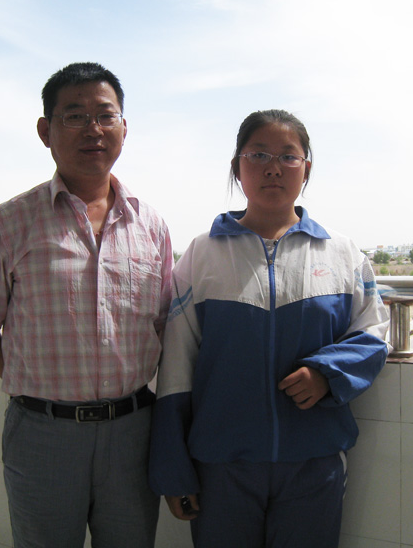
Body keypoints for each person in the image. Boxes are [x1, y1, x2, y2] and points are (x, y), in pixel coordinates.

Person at [148, 109, 389, 547]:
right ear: (237, 167)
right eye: (258, 154)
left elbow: (373, 331)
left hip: (314, 460)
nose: (273, 168)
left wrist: (327, 373)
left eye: (288, 156)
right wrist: (174, 468)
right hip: (221, 465)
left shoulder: (341, 253)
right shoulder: (202, 255)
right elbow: (176, 369)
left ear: (306, 169)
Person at [0, 62, 172, 548]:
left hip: (134, 432)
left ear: (124, 128)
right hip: (43, 434)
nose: (93, 129)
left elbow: (162, 325)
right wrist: (39, 387)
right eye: (74, 116)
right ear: (45, 131)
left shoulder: (152, 226)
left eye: (106, 115)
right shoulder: (5, 224)